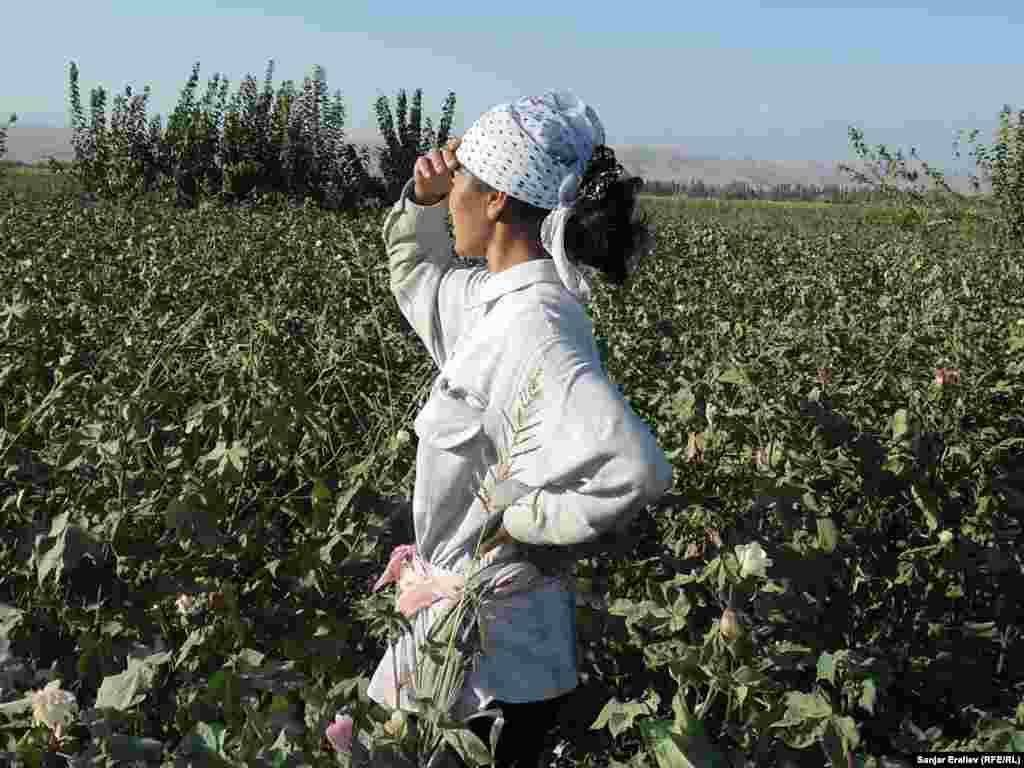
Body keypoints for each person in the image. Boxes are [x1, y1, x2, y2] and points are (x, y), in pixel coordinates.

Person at [367, 89, 673, 768]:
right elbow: (417, 274)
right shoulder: (495, 300)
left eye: (463, 185)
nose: (454, 200)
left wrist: (524, 526)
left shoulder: (532, 325)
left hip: (494, 670)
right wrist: (421, 199)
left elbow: (636, 467)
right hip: (466, 647)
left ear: (498, 199)